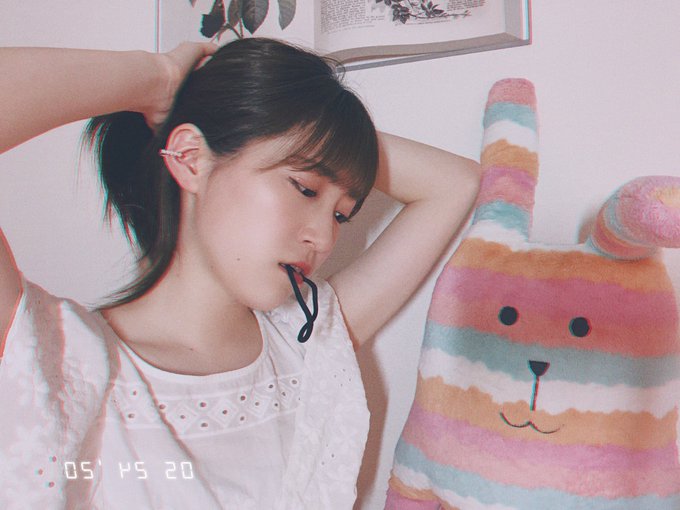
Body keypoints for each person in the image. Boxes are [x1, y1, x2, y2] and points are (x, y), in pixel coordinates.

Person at [0, 38, 479, 509]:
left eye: (341, 215)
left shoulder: (307, 348)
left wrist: (327, 128)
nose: (323, 238)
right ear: (190, 158)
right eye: (305, 188)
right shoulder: (53, 360)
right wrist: (159, 81)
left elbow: (455, 183)